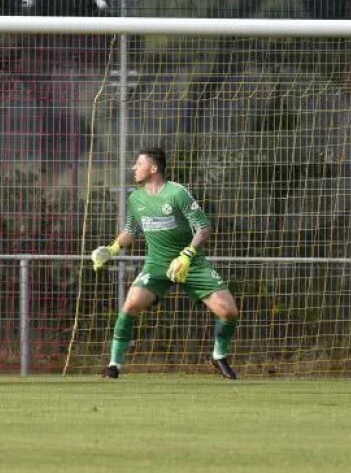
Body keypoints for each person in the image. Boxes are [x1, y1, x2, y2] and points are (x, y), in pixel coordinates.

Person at [91, 146, 240, 379]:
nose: (134, 168)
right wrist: (111, 249)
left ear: (153, 168)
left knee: (229, 312)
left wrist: (187, 255)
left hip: (191, 263)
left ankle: (218, 356)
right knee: (130, 306)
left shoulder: (177, 193)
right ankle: (113, 367)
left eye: (138, 164)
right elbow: (131, 230)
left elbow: (204, 227)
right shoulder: (135, 198)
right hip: (156, 264)